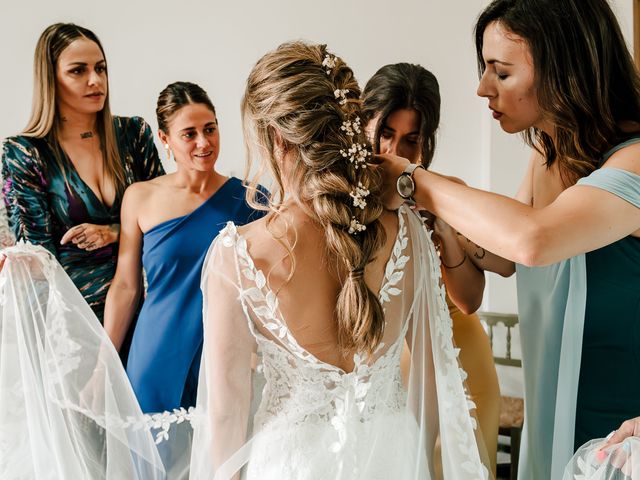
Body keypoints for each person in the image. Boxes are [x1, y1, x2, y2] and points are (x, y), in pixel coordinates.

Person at [189, 41, 491, 480]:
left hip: (292, 465)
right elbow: (429, 379)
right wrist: (417, 460)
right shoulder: (405, 231)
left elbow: (225, 416)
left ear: (274, 136)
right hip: (393, 456)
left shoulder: (237, 255)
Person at [372, 1, 640, 478]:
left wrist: (415, 180)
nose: (482, 88)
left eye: (501, 72)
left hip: (618, 428)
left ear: (562, 70)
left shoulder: (634, 162)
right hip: (553, 413)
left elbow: (532, 240)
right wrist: (441, 219)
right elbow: (500, 256)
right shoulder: (549, 155)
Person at [362, 62, 512, 474]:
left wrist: (444, 227)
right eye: (385, 134)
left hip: (463, 363)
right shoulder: (346, 204)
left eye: (411, 140)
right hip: (389, 376)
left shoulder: (447, 192)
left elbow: (469, 300)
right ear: (362, 125)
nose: (395, 152)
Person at [103, 81, 265, 415]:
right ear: (165, 139)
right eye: (189, 134)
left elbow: (268, 288)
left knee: (219, 460)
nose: (203, 143)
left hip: (225, 354)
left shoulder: (252, 198)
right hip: (156, 351)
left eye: (210, 129)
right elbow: (125, 286)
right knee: (153, 462)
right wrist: (102, 364)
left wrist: (256, 351)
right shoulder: (140, 197)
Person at [1, 23, 164, 326]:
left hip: (146, 304)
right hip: (71, 317)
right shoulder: (25, 152)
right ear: (51, 79)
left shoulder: (133, 134)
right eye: (78, 71)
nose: (95, 80)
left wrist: (114, 232)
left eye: (100, 69)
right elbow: (38, 259)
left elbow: (166, 221)